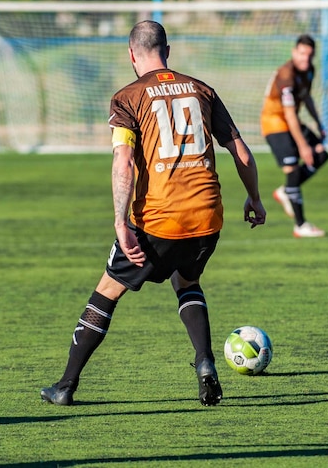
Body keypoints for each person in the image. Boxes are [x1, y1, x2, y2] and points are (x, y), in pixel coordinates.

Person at [40, 20, 266, 407]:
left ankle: (65, 386)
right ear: (168, 50)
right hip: (208, 216)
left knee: (106, 292)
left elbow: (123, 161)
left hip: (159, 220)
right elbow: (240, 151)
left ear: (131, 54)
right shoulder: (202, 90)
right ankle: (205, 361)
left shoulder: (127, 97)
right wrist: (255, 199)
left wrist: (119, 222)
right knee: (187, 280)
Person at [261, 34, 328, 238]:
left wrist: (318, 122)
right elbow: (289, 114)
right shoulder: (286, 75)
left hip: (292, 123)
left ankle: (287, 190)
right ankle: (300, 225)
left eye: (309, 55)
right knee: (292, 168)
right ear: (294, 52)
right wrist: (303, 146)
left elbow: (306, 97)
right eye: (301, 54)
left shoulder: (309, 71)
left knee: (322, 154)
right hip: (275, 123)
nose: (305, 59)